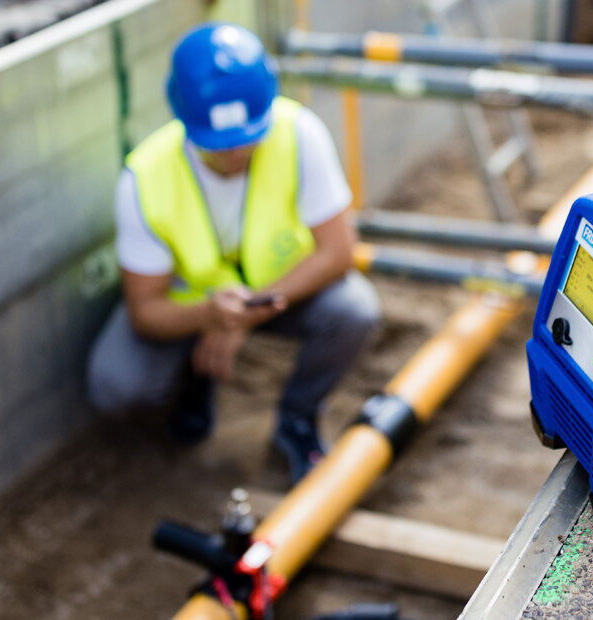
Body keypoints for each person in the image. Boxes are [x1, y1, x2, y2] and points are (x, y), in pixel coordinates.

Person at [86, 22, 380, 484]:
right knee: (116, 382)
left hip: (277, 293)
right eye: (218, 145)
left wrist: (241, 315)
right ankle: (192, 383)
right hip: (193, 304)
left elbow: (339, 251)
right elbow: (145, 310)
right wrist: (208, 316)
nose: (236, 152)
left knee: (354, 309)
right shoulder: (144, 178)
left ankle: (297, 420)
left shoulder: (299, 134)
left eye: (248, 137)